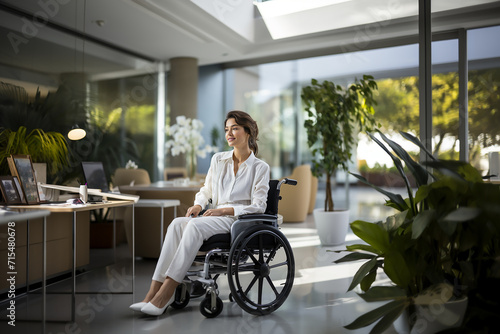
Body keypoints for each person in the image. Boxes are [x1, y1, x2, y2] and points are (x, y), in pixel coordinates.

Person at [130, 110, 270, 316]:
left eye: (235, 128)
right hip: (216, 215)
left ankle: (164, 294)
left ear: (248, 132)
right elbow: (207, 189)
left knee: (194, 226)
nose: (229, 133)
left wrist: (224, 209)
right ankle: (152, 292)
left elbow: (259, 206)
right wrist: (198, 204)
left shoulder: (260, 167)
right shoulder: (218, 159)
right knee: (178, 223)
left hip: (237, 219)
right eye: (226, 129)